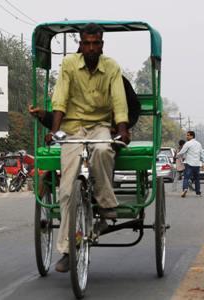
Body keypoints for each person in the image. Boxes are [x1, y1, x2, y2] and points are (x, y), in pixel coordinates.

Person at [42, 23, 130, 273]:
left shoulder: (111, 66)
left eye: (96, 43)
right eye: (87, 43)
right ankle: (68, 251)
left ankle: (106, 205)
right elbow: (60, 98)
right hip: (72, 127)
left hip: (100, 125)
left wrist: (122, 129)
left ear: (102, 45)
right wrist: (54, 131)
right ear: (81, 45)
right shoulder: (69, 64)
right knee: (68, 190)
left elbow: (119, 101)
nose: (91, 48)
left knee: (103, 149)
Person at [177, 131, 204, 197]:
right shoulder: (199, 144)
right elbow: (202, 154)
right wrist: (203, 163)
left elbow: (182, 152)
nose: (186, 136)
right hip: (197, 164)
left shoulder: (187, 144)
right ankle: (198, 193)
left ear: (192, 136)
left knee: (186, 178)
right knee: (197, 179)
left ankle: (185, 189)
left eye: (188, 135)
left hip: (189, 164)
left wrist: (177, 155)